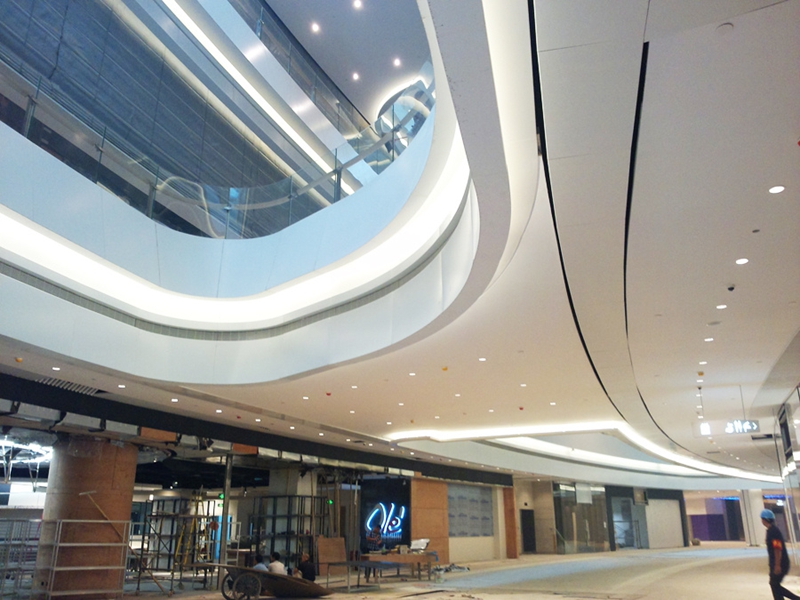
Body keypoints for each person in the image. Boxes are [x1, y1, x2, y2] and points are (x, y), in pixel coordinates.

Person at [762, 509, 800, 600]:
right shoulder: (771, 530)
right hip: (777, 563)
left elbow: (777, 548)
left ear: (764, 519)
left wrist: (777, 565)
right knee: (774, 585)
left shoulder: (773, 531)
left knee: (774, 584)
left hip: (781, 563)